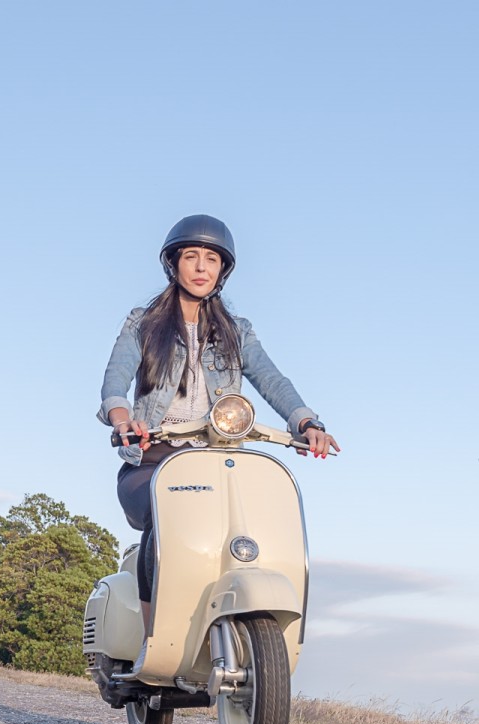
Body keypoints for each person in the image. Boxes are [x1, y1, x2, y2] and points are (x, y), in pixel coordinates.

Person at [97, 214, 339, 657]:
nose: (202, 267)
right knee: (164, 513)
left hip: (218, 457)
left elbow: (272, 379)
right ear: (174, 264)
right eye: (191, 257)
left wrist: (306, 423)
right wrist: (122, 420)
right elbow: (115, 381)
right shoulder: (143, 323)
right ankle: (154, 637)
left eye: (212, 259)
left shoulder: (237, 331)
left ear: (222, 271)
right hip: (153, 459)